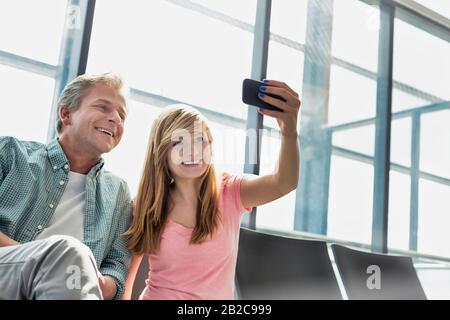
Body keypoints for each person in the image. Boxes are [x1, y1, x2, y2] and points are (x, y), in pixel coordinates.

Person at [123, 79, 301, 299]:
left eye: (200, 139)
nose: (193, 150)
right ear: (161, 152)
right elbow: (126, 280)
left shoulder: (230, 191)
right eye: (179, 142)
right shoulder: (145, 204)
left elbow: (284, 182)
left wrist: (289, 130)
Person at [0, 73, 132, 300]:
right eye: (103, 108)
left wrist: (86, 276)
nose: (116, 119)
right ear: (66, 113)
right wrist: (48, 261)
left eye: (122, 115)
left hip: (75, 289)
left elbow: (116, 268)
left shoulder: (118, 191)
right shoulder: (11, 153)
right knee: (69, 252)